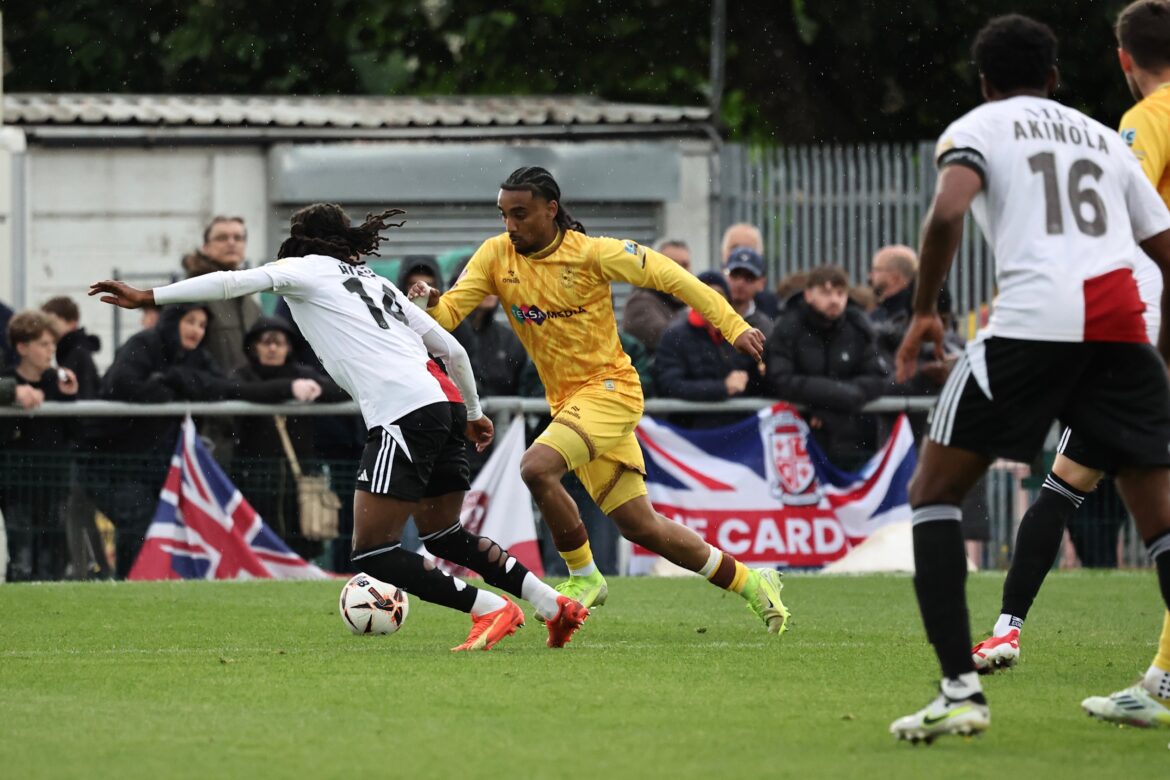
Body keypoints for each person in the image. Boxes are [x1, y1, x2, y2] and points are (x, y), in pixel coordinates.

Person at [90, 203, 588, 652]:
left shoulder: (302, 269)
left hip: (404, 410)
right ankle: (554, 605)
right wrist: (475, 413)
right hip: (445, 403)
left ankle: (490, 609)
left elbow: (229, 282)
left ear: (301, 240)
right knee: (444, 534)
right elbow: (453, 351)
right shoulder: (377, 282)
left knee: (374, 549)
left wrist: (147, 297)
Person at [889, 15, 1170, 742]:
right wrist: (1158, 356)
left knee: (933, 493)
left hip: (1028, 326)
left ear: (985, 81)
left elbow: (949, 208)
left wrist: (924, 310)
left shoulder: (980, 125)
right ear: (1054, 77)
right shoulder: (1108, 138)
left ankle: (959, 692)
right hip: (1119, 328)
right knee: (1161, 519)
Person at [411, 166, 789, 635]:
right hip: (570, 405)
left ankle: (583, 575)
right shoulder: (495, 256)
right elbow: (447, 316)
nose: (510, 225)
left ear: (551, 210)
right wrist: (427, 302)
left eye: (521, 214)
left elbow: (676, 279)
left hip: (611, 391)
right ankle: (754, 583)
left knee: (536, 468)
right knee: (642, 526)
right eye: (504, 214)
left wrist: (734, 325)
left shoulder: (593, 255)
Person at [972, 0, 1170, 729]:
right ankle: (1017, 630)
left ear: (1125, 59)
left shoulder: (1147, 119)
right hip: (1140, 343)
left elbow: (1117, 214)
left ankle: (1011, 630)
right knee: (1065, 484)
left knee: (1073, 491)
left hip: (1138, 339)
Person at [231, 316, 349, 560]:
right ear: (254, 346)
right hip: (255, 474)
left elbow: (340, 389)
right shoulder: (243, 375)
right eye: (266, 342)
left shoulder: (304, 373)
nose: (273, 348)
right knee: (260, 537)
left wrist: (318, 390)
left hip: (301, 474)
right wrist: (290, 388)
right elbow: (233, 390)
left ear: (289, 347)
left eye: (279, 342)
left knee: (301, 539)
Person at [766, 265, 890, 469]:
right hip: (799, 443)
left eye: (840, 293)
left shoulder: (858, 329)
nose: (834, 300)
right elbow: (780, 380)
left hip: (853, 443)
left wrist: (828, 409)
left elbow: (878, 379)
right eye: (825, 292)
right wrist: (837, 396)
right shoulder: (788, 329)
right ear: (808, 295)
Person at [0, 310, 79, 580]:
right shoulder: (9, 381)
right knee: (22, 555)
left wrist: (71, 398)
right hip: (17, 484)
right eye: (43, 344)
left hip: (55, 482)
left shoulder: (58, 382)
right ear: (22, 347)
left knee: (53, 556)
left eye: (53, 345)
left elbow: (76, 432)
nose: (50, 351)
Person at [655, 271, 764, 429]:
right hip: (689, 433)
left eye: (717, 295)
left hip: (738, 431)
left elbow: (757, 383)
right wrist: (722, 387)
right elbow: (669, 385)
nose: (710, 301)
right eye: (704, 294)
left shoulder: (740, 335)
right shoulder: (674, 336)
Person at [620, 239, 691, 354]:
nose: (680, 270)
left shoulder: (683, 303)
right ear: (654, 267)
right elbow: (669, 340)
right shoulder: (639, 303)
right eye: (672, 263)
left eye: (685, 265)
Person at [720, 222, 780, 318]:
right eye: (735, 247)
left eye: (748, 248)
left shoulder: (769, 306)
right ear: (723, 253)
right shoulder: (709, 292)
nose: (741, 254)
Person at [722, 247, 775, 339]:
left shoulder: (765, 328)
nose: (740, 283)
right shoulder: (710, 317)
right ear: (724, 276)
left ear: (761, 283)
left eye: (749, 277)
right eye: (735, 274)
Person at [868, 245, 918, 325]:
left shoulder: (900, 315)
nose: (870, 275)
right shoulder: (916, 307)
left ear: (894, 278)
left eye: (876, 269)